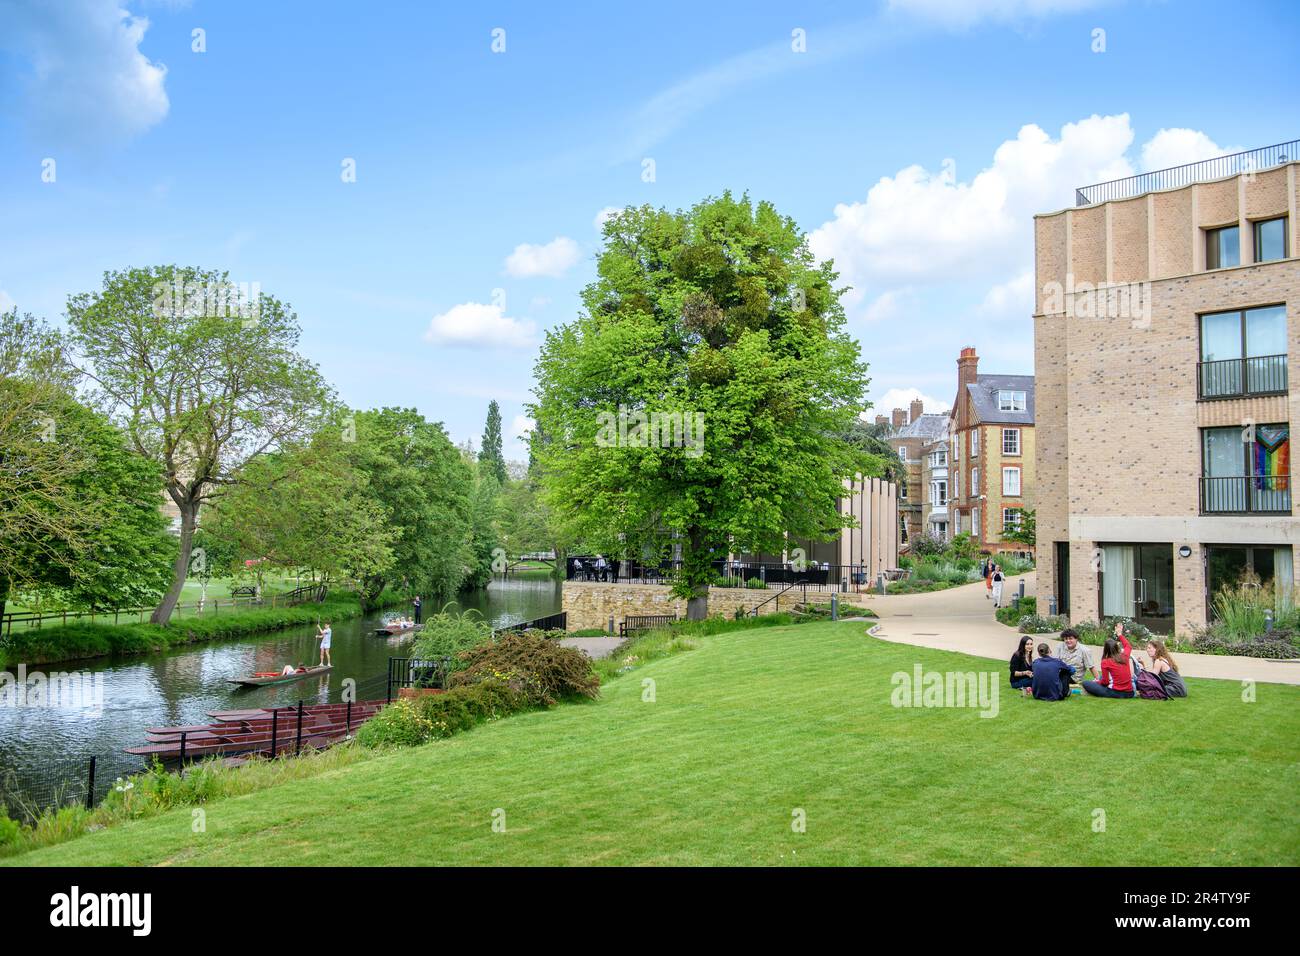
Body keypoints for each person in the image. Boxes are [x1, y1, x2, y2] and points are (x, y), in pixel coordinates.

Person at [1082, 623, 1133, 698]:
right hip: (1130, 693)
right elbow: (1128, 646)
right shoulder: (1124, 656)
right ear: (1117, 647)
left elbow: (1105, 682)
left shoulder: (1105, 662)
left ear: (1105, 649)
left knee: (1086, 683)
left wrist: (1097, 682)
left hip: (1115, 693)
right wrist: (1119, 634)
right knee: (1101, 677)